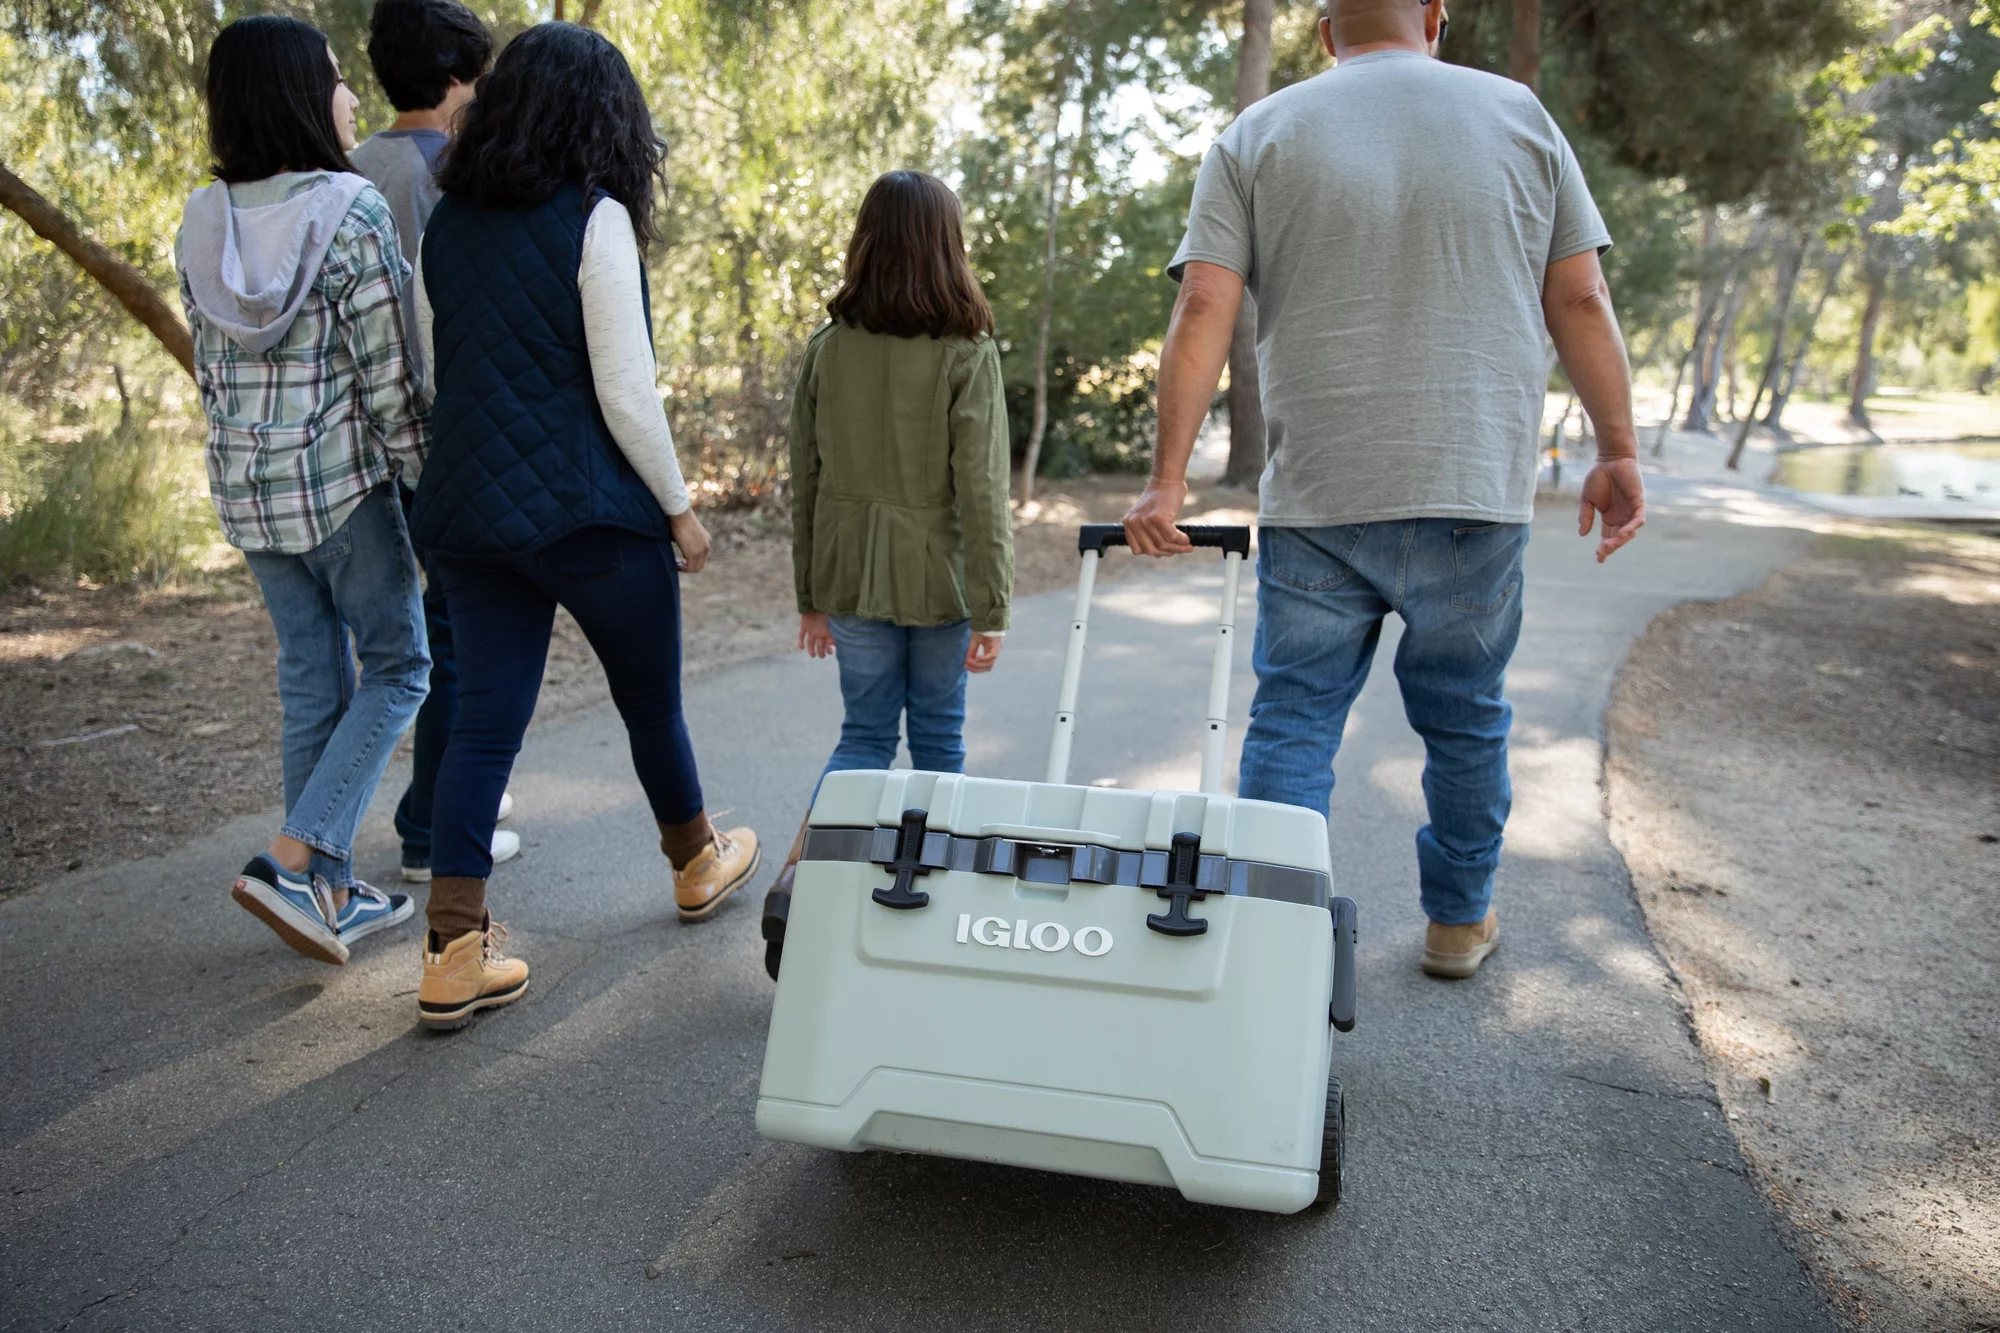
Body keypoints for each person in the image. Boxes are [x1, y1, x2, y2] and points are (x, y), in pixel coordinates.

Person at [1122, 0, 1647, 980]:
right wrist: (1615, 451)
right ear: (1436, 18)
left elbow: (1203, 305)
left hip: (1320, 492)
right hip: (1472, 491)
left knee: (1293, 715)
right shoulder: (1520, 118)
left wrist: (1163, 483)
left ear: (1324, 32)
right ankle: (1456, 921)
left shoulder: (1257, 133)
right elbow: (1579, 297)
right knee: (1465, 715)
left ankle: (1271, 943)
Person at [409, 22, 758, 1030]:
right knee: (649, 702)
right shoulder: (593, 218)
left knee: (482, 725)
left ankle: (451, 952)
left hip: (470, 515)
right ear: (606, 119)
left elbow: (445, 376)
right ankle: (694, 862)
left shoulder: (448, 224)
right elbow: (627, 393)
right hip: (589, 515)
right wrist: (681, 511)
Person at [176, 15, 430, 965]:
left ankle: (320, 893)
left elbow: (208, 373)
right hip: (345, 490)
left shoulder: (202, 217)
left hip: (250, 495)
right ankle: (295, 859)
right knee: (402, 667)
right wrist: (424, 480)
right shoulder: (350, 209)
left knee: (311, 683)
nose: (351, 96)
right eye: (334, 78)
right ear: (295, 93)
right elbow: (390, 377)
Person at [758, 169, 1013, 980]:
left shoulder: (828, 349)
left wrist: (811, 596)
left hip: (851, 574)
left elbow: (807, 475)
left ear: (865, 243)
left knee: (863, 737)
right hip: (941, 580)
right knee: (938, 738)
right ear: (949, 247)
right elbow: (982, 490)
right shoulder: (967, 354)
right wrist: (993, 605)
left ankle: (805, 879)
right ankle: (931, 903)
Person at [348, 0, 522, 885]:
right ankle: (430, 830)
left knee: (391, 641)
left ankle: (372, 828)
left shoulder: (347, 169)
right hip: (437, 435)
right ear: (459, 78)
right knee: (454, 636)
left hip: (354, 445)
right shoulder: (455, 171)